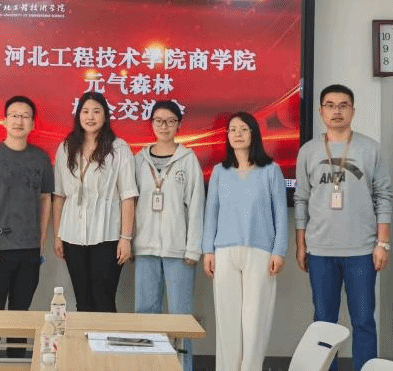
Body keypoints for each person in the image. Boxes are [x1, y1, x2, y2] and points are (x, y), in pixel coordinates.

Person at [294, 84, 392, 371]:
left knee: (363, 321)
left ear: (353, 110)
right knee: (324, 323)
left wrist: (382, 243)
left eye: (343, 105)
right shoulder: (308, 151)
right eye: (330, 105)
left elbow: (383, 196)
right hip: (320, 251)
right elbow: (301, 199)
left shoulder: (370, 148)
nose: (336, 111)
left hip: (362, 250)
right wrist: (301, 245)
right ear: (321, 111)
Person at [202, 111, 288, 371]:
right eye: (232, 129)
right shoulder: (220, 172)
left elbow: (281, 214)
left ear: (253, 134)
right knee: (227, 320)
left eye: (243, 129)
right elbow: (211, 212)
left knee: (255, 320)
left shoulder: (271, 171)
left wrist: (279, 250)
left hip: (260, 253)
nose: (237, 134)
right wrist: (208, 250)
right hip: (224, 252)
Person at [0, 95, 53, 358]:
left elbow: (45, 198)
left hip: (29, 248)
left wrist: (41, 239)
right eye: (14, 115)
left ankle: (17, 362)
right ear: (5, 121)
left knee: (21, 312)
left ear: (32, 123)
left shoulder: (41, 159)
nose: (19, 121)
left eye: (25, 116)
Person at [133, 99, 204, 371]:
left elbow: (196, 206)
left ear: (179, 125)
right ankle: (146, 367)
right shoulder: (139, 160)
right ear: (151, 124)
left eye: (170, 121)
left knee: (180, 317)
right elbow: (129, 203)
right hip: (145, 248)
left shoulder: (188, 159)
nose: (164, 126)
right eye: (159, 121)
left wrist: (193, 248)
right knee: (145, 315)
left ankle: (183, 367)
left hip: (179, 251)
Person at [52, 91, 138, 313]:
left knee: (104, 299)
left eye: (96, 112)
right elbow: (59, 195)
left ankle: (105, 338)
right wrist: (58, 235)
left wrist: (126, 238)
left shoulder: (119, 148)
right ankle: (85, 338)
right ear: (78, 115)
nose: (90, 117)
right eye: (85, 111)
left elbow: (128, 196)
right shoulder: (66, 148)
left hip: (107, 235)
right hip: (72, 235)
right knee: (82, 300)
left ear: (105, 116)